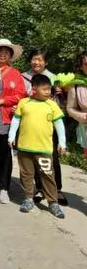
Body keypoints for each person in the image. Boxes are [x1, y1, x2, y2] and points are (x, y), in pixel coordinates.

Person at [8, 74, 66, 219]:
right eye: (45, 89)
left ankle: (53, 202)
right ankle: (28, 198)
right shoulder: (24, 103)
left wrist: (62, 143)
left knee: (47, 175)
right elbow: (16, 120)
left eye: (49, 89)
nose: (48, 92)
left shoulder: (52, 104)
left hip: (44, 149)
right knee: (26, 175)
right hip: (24, 148)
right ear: (34, 89)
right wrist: (11, 136)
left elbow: (59, 124)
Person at [22, 49, 67, 205]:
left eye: (40, 60)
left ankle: (57, 189)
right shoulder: (23, 77)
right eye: (34, 59)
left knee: (52, 157)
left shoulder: (54, 78)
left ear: (45, 62)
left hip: (49, 123)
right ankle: (40, 189)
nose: (37, 62)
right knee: (35, 157)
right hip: (32, 123)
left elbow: (63, 102)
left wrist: (63, 92)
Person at [0, 38, 26, 204]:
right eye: (0, 51)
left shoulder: (15, 74)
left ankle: (5, 188)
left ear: (10, 55)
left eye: (6, 52)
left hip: (5, 117)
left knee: (5, 153)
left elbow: (20, 95)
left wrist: (1, 101)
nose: (3, 54)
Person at [65, 51, 87, 159]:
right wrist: (81, 116)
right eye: (86, 64)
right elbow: (70, 108)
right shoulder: (76, 84)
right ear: (81, 66)